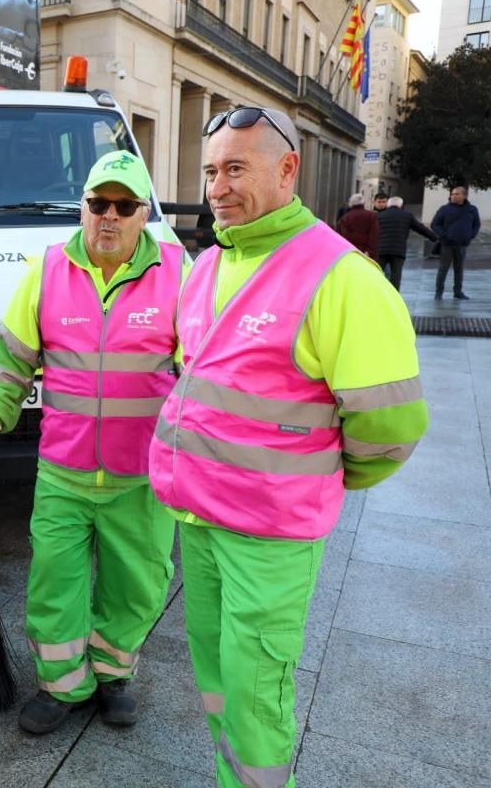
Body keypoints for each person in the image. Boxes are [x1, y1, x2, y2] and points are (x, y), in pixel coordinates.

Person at [149, 106, 428, 788]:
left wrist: (316, 476)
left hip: (269, 535)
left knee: (254, 692)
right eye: (211, 171)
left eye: (236, 168)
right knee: (216, 676)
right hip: (201, 522)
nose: (218, 187)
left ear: (288, 169)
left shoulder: (343, 277)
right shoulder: (208, 264)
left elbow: (389, 429)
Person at [0, 150, 184, 735]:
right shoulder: (48, 269)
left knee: (136, 586)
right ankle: (62, 686)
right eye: (98, 203)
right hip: (64, 470)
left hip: (143, 476)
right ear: (82, 207)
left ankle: (112, 677)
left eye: (124, 205)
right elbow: (9, 362)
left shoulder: (182, 273)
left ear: (142, 215)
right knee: (55, 585)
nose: (108, 216)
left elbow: (204, 373)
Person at [376, 196, 438, 291]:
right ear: (401, 205)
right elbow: (420, 228)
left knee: (378, 273)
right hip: (398, 251)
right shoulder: (407, 215)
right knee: (396, 275)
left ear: (388, 205)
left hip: (381, 250)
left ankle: (378, 293)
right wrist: (435, 238)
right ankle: (395, 296)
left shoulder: (379, 216)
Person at [431, 185, 481, 300]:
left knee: (459, 269)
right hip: (447, 244)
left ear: (464, 195)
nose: (453, 196)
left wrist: (471, 235)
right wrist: (444, 235)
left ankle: (458, 292)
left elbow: (476, 224)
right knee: (443, 269)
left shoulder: (472, 209)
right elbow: (435, 224)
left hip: (462, 244)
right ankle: (439, 292)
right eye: (452, 194)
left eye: (456, 194)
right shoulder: (444, 209)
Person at [337, 193, 379, 259]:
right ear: (364, 203)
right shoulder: (371, 216)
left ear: (350, 204)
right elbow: (374, 235)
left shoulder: (345, 218)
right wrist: (369, 251)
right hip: (367, 253)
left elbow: (343, 236)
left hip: (350, 252)